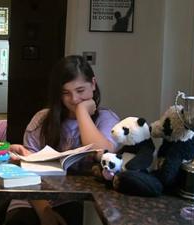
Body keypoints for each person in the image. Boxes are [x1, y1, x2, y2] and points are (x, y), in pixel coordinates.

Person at [6, 55, 120, 225]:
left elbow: (103, 153)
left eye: (80, 91)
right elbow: (26, 172)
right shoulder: (42, 119)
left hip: (73, 200)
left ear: (93, 84)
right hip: (32, 198)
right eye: (65, 93)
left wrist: (82, 112)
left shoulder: (106, 119)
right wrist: (45, 211)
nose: (74, 99)